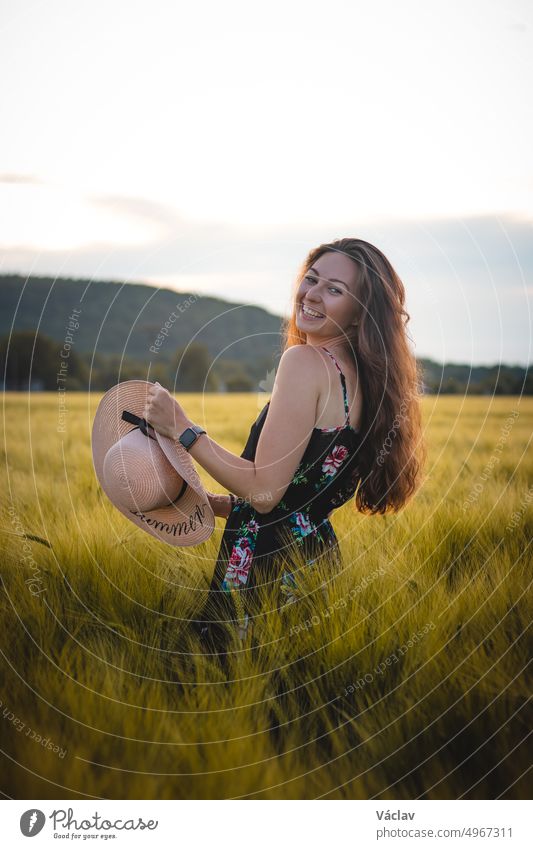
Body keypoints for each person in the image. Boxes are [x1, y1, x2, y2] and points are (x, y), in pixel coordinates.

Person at [143, 237, 426, 658]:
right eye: (311, 279)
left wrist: (182, 428)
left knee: (232, 695)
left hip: (263, 568)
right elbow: (297, 498)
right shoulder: (371, 384)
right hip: (314, 564)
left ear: (359, 313)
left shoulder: (305, 364)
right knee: (293, 703)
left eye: (334, 289)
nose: (311, 294)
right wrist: (216, 504)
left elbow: (264, 494)